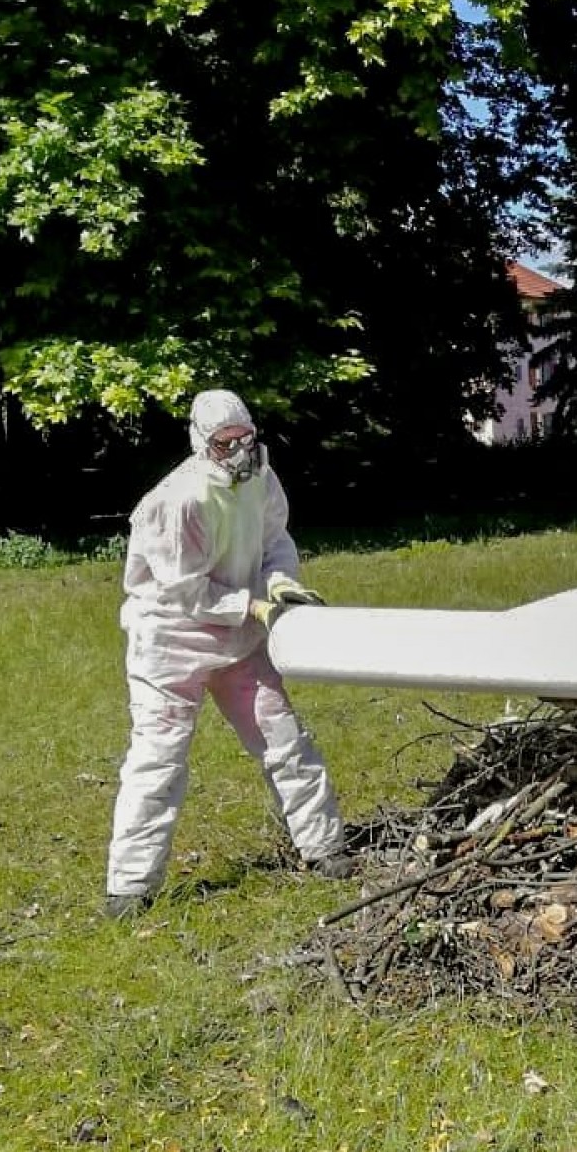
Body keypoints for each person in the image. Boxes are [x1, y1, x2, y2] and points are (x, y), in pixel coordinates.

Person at [104, 390, 350, 916]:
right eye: (226, 443)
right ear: (202, 442)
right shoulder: (176, 501)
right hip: (170, 640)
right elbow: (184, 591)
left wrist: (280, 583)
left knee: (284, 738)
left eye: (246, 438)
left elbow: (275, 538)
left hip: (238, 639)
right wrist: (254, 608)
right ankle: (129, 886)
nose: (240, 451)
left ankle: (324, 847)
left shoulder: (261, 476)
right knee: (158, 758)